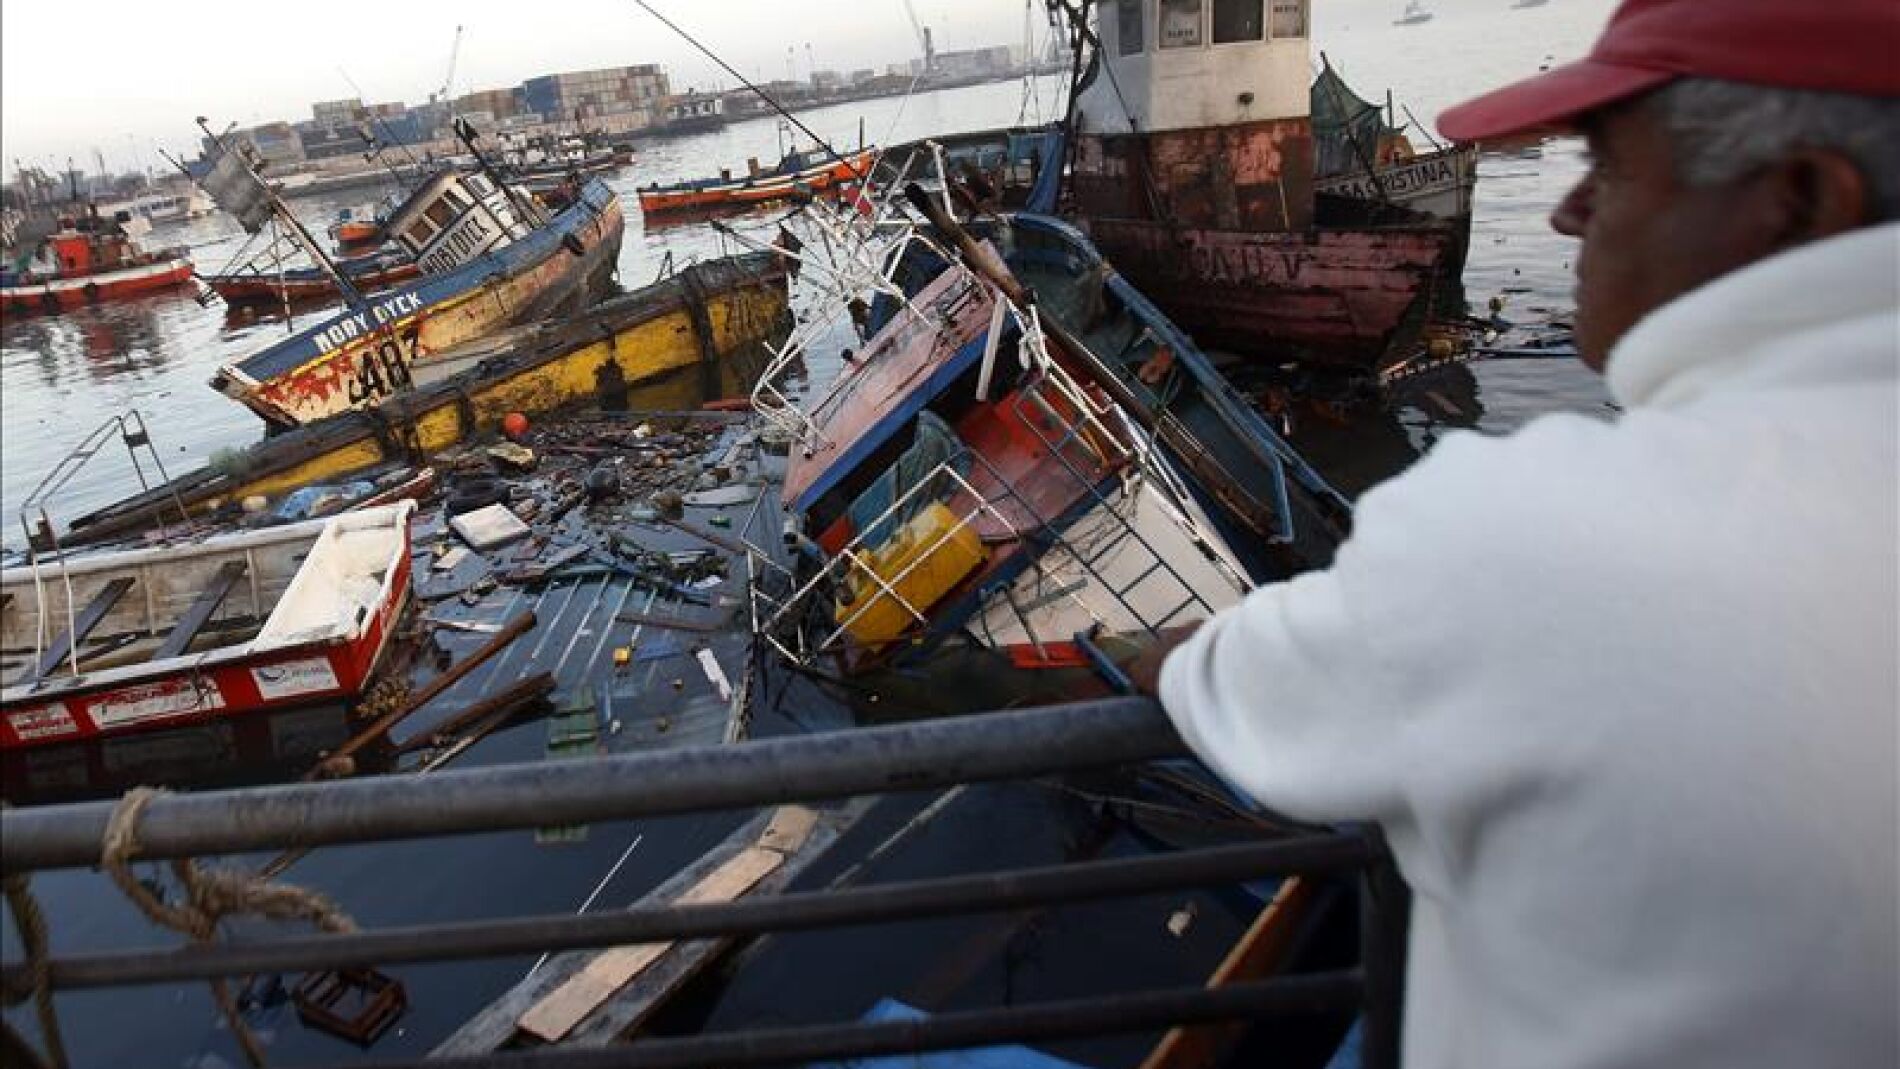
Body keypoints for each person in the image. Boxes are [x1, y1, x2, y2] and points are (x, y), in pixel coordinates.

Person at [1128, 0, 1899, 1065]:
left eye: (1613, 170)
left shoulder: (1515, 532)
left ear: (1801, 199)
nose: (1568, 213)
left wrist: (1143, 657)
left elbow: (1223, 680)